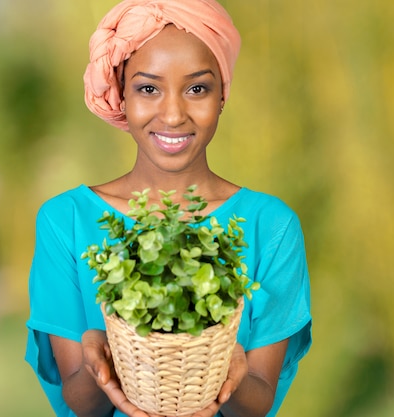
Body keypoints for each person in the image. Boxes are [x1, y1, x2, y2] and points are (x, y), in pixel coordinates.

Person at [24, 1, 312, 416]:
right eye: (148, 88)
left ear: (222, 94)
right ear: (121, 95)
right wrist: (99, 356)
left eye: (197, 88)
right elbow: (81, 404)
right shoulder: (64, 221)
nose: (174, 114)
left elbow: (258, 400)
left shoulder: (272, 226)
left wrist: (228, 369)